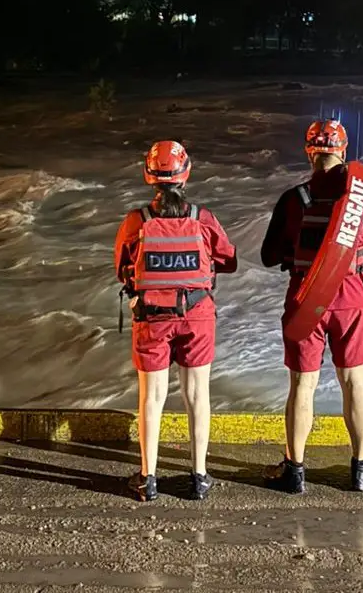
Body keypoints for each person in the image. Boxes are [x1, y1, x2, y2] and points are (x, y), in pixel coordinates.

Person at [259, 118, 363, 494]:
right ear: (343, 152)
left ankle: (295, 471)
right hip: (352, 299)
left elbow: (269, 256)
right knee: (355, 383)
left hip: (306, 300)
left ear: (309, 153)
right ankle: (360, 470)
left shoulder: (293, 200)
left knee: (303, 385)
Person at [114, 140, 238, 501]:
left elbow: (122, 268)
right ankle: (198, 477)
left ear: (149, 176)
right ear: (186, 174)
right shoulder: (203, 219)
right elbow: (229, 260)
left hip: (151, 318)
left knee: (151, 397)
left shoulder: (136, 221)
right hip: (197, 316)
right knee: (197, 395)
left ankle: (147, 479)